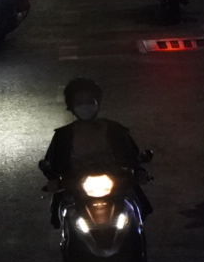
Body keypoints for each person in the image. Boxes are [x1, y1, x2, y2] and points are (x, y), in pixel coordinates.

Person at [40, 78, 150, 226]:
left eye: (89, 100)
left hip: (115, 184)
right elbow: (53, 162)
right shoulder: (63, 135)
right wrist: (53, 179)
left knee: (135, 209)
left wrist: (139, 170)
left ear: (97, 102)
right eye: (79, 102)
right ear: (70, 106)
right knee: (63, 211)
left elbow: (132, 156)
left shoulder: (115, 129)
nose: (85, 105)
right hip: (77, 187)